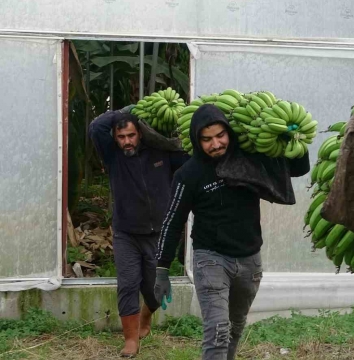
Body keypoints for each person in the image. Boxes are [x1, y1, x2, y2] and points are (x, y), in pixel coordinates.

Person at [153, 104, 310, 360]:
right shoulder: (189, 174)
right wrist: (161, 269)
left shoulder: (248, 159)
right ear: (196, 140)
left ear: (229, 132)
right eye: (207, 139)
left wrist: (294, 139)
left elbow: (297, 169)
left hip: (250, 260)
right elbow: (173, 220)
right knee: (217, 332)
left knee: (235, 329)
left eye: (220, 135)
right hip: (211, 259)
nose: (215, 144)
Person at [88, 106, 189, 358]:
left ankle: (146, 315)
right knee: (127, 284)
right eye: (121, 137)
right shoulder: (113, 155)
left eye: (131, 135)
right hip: (126, 233)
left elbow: (190, 155)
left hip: (158, 234)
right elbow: (95, 127)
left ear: (140, 133)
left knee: (154, 291)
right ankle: (131, 340)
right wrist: (129, 110)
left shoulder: (161, 152)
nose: (126, 142)